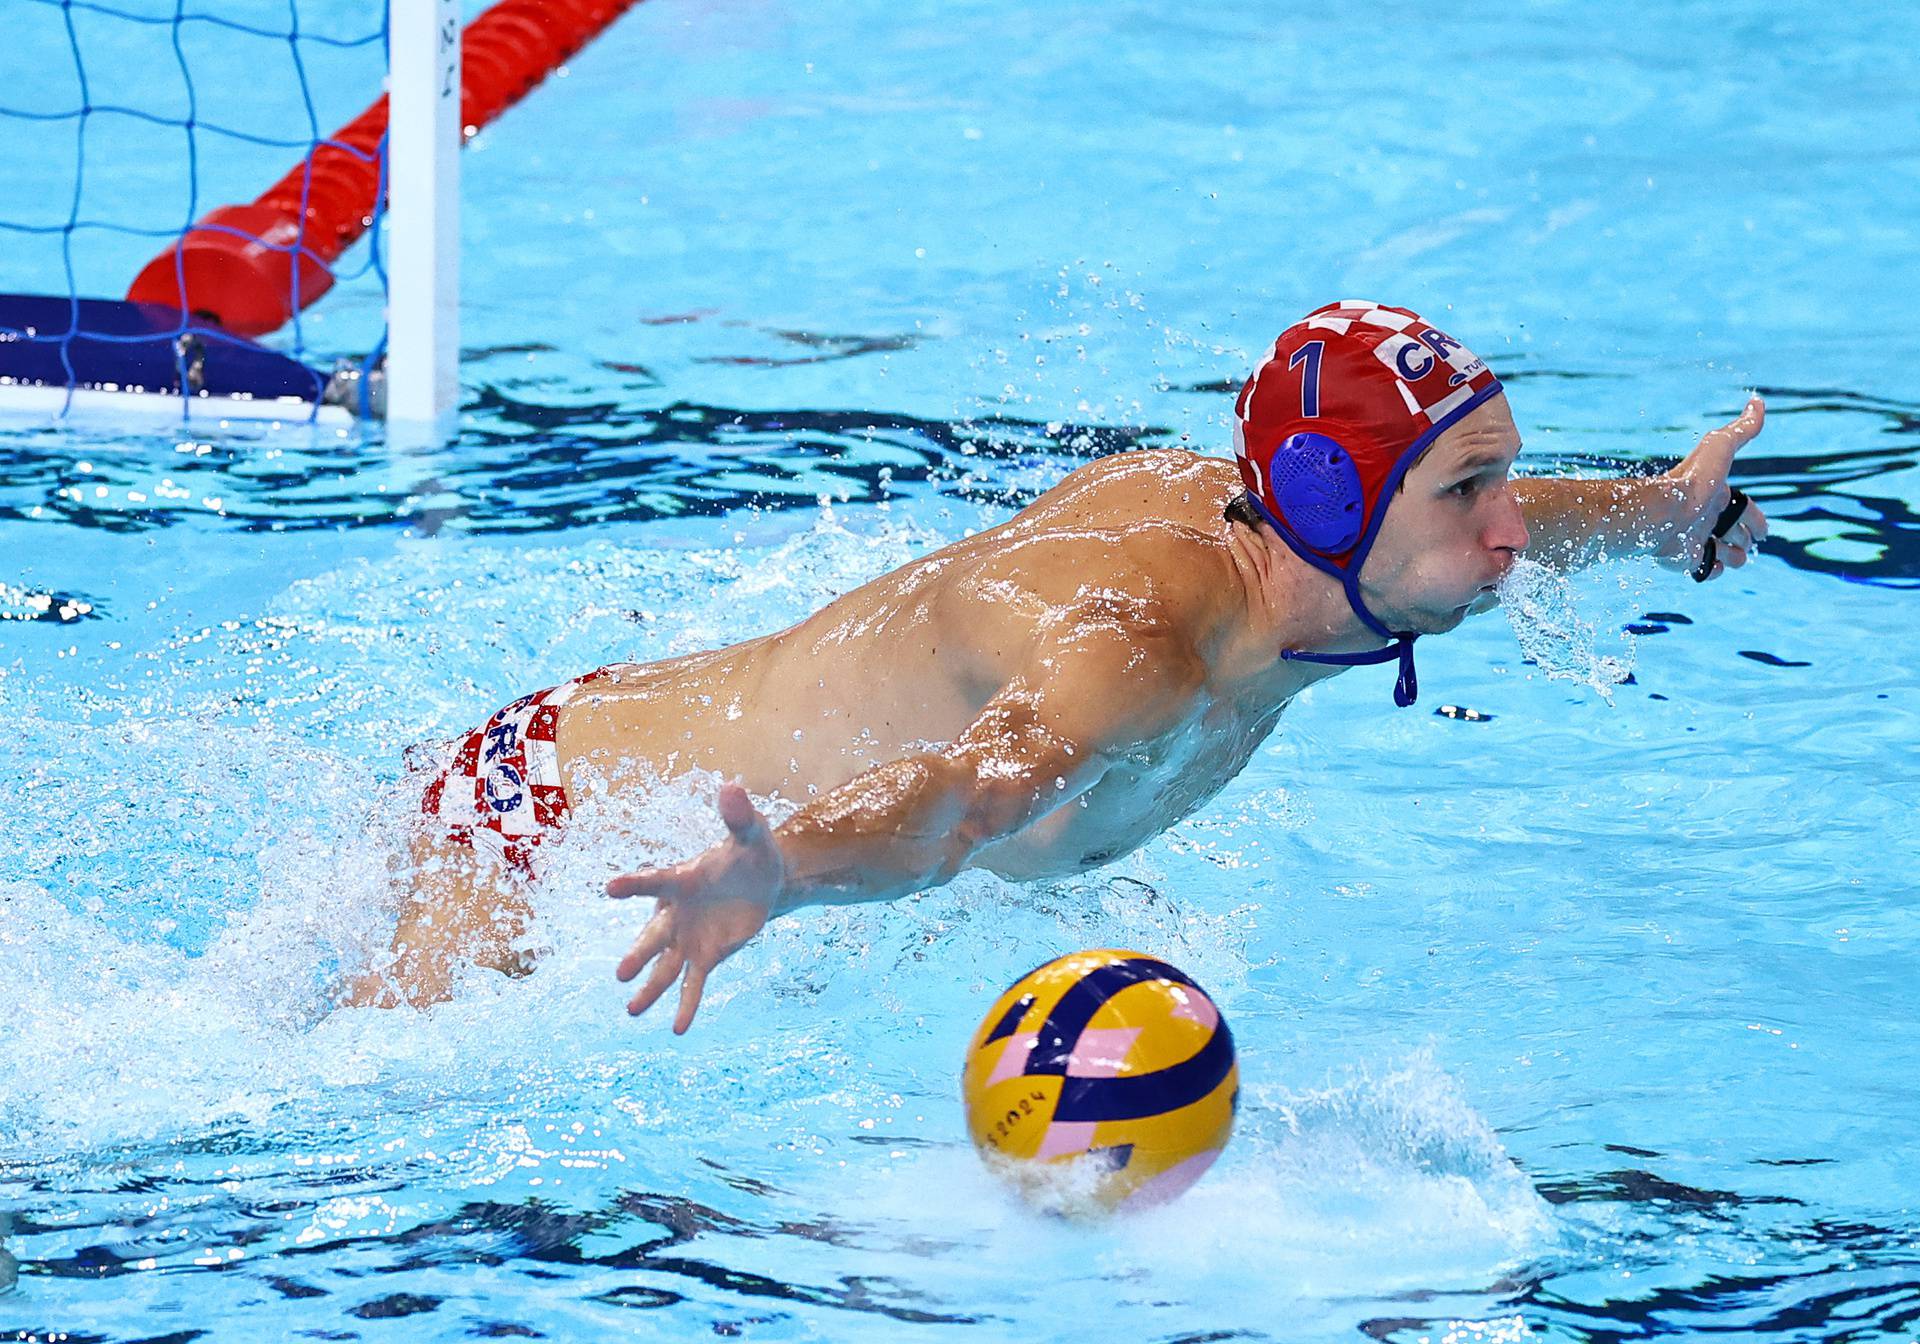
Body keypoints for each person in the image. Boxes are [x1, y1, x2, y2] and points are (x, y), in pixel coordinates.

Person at [343, 300, 1767, 1030]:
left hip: (657, 815)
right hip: (545, 818)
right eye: (1471, 492)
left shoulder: (1331, 558)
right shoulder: (1139, 649)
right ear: (1333, 502)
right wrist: (782, 870)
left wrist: (1669, 516)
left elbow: (1538, 522)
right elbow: (968, 798)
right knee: (337, 1129)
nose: (1513, 528)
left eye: (1504, 481)